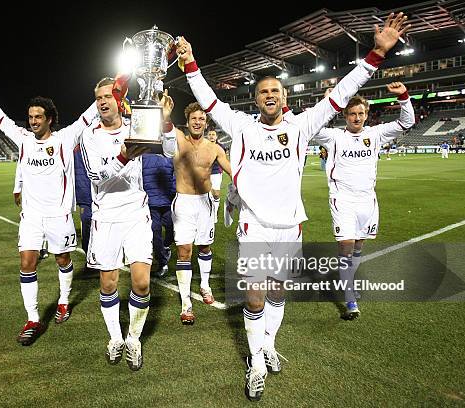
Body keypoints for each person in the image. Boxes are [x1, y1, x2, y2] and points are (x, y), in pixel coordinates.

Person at [176, 11, 409, 401]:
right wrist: (191, 65)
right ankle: (255, 361)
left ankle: (267, 345)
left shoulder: (301, 126)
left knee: (279, 294)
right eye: (263, 91)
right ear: (256, 98)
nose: (270, 95)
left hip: (290, 227)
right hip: (254, 225)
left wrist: (376, 54)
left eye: (276, 91)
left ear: (284, 98)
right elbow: (209, 100)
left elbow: (339, 94)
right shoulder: (242, 127)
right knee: (254, 295)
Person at [0, 72, 97, 346]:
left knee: (63, 260)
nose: (33, 121)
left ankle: (63, 301)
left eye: (38, 116)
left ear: (49, 118)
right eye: (31, 117)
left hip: (58, 215)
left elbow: (89, 114)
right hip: (32, 217)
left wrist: (113, 89)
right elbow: (0, 117)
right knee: (27, 264)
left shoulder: (64, 139)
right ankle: (33, 318)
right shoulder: (23, 138)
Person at [79, 77, 174, 371]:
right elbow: (96, 176)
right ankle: (115, 338)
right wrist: (124, 154)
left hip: (136, 214)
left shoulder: (137, 125)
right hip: (105, 217)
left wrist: (166, 123)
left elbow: (170, 150)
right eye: (98, 98)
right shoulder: (89, 135)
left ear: (119, 99)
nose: (103, 102)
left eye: (108, 96)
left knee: (142, 283)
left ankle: (133, 338)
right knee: (108, 284)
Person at [313, 82, 415, 319]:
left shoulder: (376, 133)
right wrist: (326, 102)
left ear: (367, 115)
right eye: (352, 114)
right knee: (346, 248)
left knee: (359, 247)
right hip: (343, 200)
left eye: (361, 113)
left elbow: (407, 122)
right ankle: (350, 301)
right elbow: (311, 126)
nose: (357, 118)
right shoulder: (334, 137)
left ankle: (348, 284)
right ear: (345, 116)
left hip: (368, 202)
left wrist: (403, 96)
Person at [162, 99, 231, 325]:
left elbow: (234, 172)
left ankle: (205, 285)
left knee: (205, 246)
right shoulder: (180, 140)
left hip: (205, 203)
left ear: (206, 121)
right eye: (194, 118)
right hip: (183, 203)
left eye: (201, 118)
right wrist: (165, 114)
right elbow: (167, 128)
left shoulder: (215, 149)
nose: (198, 122)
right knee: (184, 251)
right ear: (188, 121)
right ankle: (186, 304)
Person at [142, 153, 175, 277]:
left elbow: (175, 176)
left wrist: (172, 193)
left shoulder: (169, 156)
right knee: (157, 232)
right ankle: (162, 261)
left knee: (168, 229)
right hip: (153, 203)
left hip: (163, 202)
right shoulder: (144, 157)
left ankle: (165, 250)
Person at [13, 163, 49, 261]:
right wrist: (17, 191)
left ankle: (43, 247)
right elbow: (19, 171)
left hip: (47, 192)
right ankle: (37, 247)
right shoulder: (26, 152)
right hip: (31, 194)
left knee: (45, 218)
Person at [73, 145, 92, 256]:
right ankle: (88, 255)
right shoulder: (75, 149)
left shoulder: (100, 144)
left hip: (102, 195)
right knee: (86, 224)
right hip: (84, 195)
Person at [206, 128, 227, 221]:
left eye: (213, 134)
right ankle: (211, 215)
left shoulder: (221, 147)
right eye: (209, 134)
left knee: (216, 194)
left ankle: (215, 213)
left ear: (216, 136)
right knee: (207, 193)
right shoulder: (203, 146)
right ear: (207, 136)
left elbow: (223, 160)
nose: (211, 136)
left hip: (216, 172)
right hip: (205, 172)